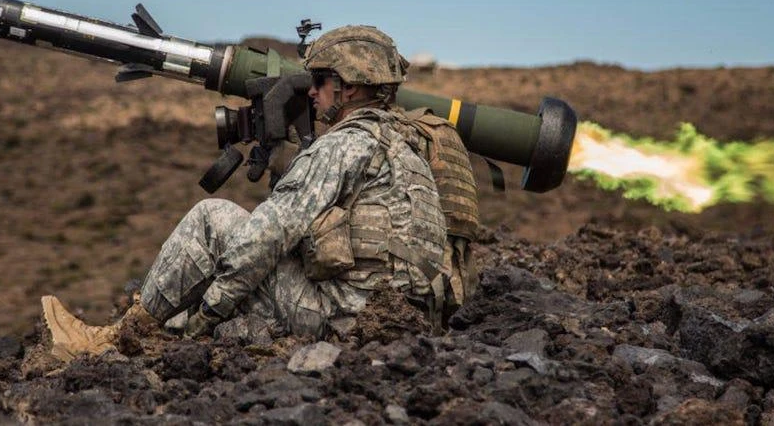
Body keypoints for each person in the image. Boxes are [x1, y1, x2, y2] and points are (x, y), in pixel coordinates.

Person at [42, 25, 471, 361]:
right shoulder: (408, 144)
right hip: (408, 325)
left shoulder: (345, 144)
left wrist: (212, 309)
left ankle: (114, 338)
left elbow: (267, 234)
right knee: (248, 268)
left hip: (349, 321)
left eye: (320, 80)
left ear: (352, 89)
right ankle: (165, 322)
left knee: (214, 220)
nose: (312, 92)